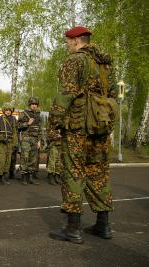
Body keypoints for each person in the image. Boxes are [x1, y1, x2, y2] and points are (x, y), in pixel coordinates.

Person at [49, 26, 117, 244]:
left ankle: (73, 229)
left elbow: (65, 95)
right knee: (99, 174)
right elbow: (114, 95)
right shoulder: (105, 64)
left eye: (68, 41)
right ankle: (103, 225)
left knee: (74, 173)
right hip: (101, 126)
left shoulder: (75, 61)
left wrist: (53, 124)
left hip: (78, 127)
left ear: (77, 40)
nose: (67, 45)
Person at [0, 102, 18, 185]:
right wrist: (2, 138)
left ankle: (3, 176)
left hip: (9, 143)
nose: (8, 111)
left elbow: (14, 133)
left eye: (10, 110)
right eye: (6, 110)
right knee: (1, 160)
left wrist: (15, 144)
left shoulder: (13, 120)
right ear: (3, 110)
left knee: (7, 160)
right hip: (1, 143)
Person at [18, 97, 42, 185]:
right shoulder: (24, 114)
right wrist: (27, 123)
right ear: (29, 104)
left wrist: (39, 140)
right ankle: (24, 177)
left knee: (33, 158)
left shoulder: (38, 115)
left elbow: (39, 129)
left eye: (36, 104)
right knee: (25, 157)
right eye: (33, 104)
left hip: (35, 139)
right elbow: (18, 126)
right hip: (26, 138)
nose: (34, 106)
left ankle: (31, 177)